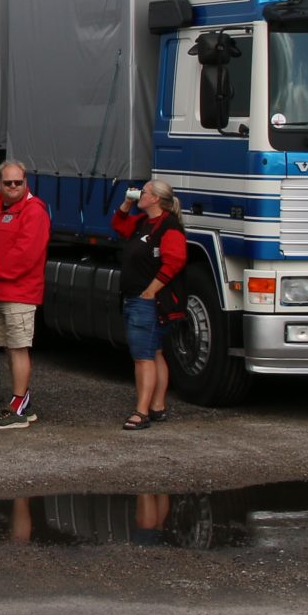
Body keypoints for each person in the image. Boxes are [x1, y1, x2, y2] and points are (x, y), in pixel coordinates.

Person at [0, 161, 50, 429]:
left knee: (18, 347)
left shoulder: (34, 211)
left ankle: (19, 406)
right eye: (8, 182)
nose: (13, 186)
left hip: (20, 293)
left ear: (25, 182)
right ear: (0, 184)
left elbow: (26, 254)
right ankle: (21, 401)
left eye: (18, 182)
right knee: (9, 347)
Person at [111, 180, 188, 434]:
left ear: (155, 198)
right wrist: (127, 203)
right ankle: (157, 405)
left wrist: (151, 291)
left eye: (143, 191)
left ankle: (141, 411)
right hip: (137, 297)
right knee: (154, 352)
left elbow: (175, 261)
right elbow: (118, 225)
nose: (139, 193)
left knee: (143, 356)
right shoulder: (143, 223)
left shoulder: (169, 226)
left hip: (147, 301)